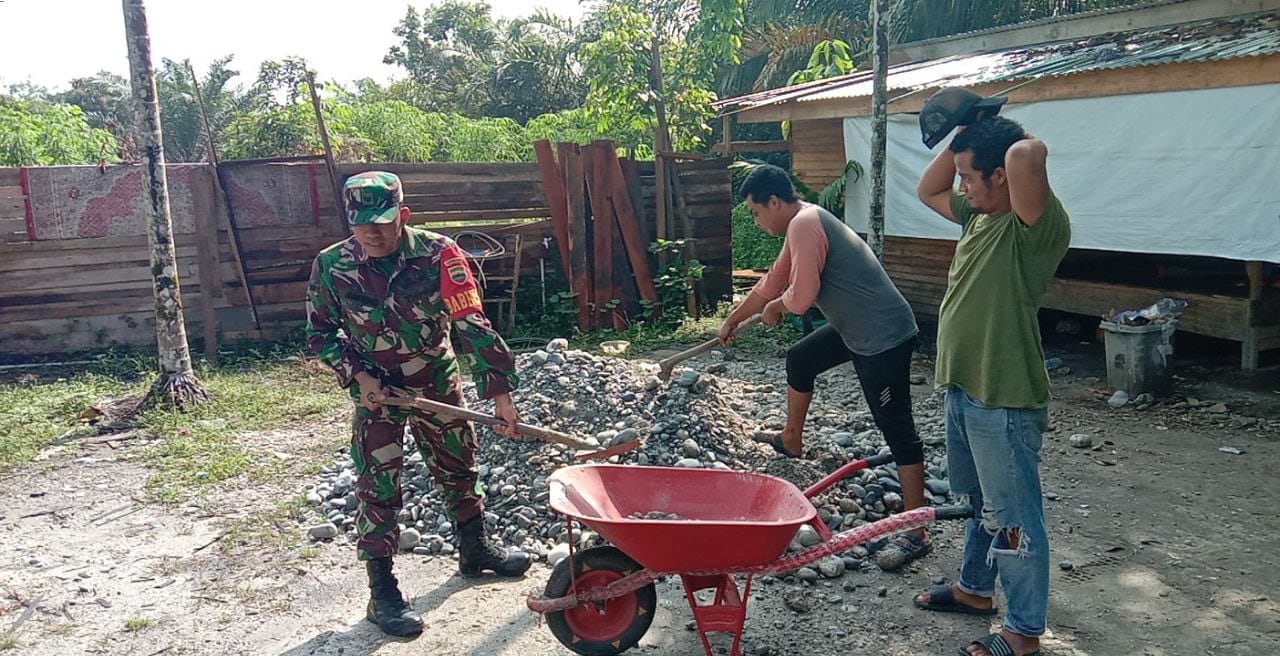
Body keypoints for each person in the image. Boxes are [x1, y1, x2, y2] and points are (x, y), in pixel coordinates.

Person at [305, 171, 531, 637]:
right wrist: (360, 376)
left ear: (403, 215)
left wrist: (501, 395)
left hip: (435, 382)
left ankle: (474, 550)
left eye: (383, 221)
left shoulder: (440, 254)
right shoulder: (332, 265)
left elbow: (470, 321)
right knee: (379, 485)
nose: (373, 232)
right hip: (378, 393)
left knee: (458, 466)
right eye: (362, 223)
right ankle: (382, 592)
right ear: (350, 222)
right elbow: (320, 334)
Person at [911, 89, 1071, 656]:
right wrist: (964, 138)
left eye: (971, 178)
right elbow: (928, 188)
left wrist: (988, 118)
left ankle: (1024, 632)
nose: (960, 188)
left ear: (1002, 177)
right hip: (965, 388)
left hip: (1003, 399)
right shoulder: (977, 217)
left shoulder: (1034, 229)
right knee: (980, 503)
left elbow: (1030, 154)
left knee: (1015, 517)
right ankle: (976, 589)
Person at [718, 164, 931, 571]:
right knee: (801, 359)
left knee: (897, 427)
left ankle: (916, 529)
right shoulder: (802, 221)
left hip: (883, 335)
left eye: (756, 212)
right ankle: (792, 438)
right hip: (855, 328)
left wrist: (778, 309)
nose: (756, 220)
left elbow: (797, 299)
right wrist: (734, 319)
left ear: (775, 202)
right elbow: (771, 283)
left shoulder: (804, 223)